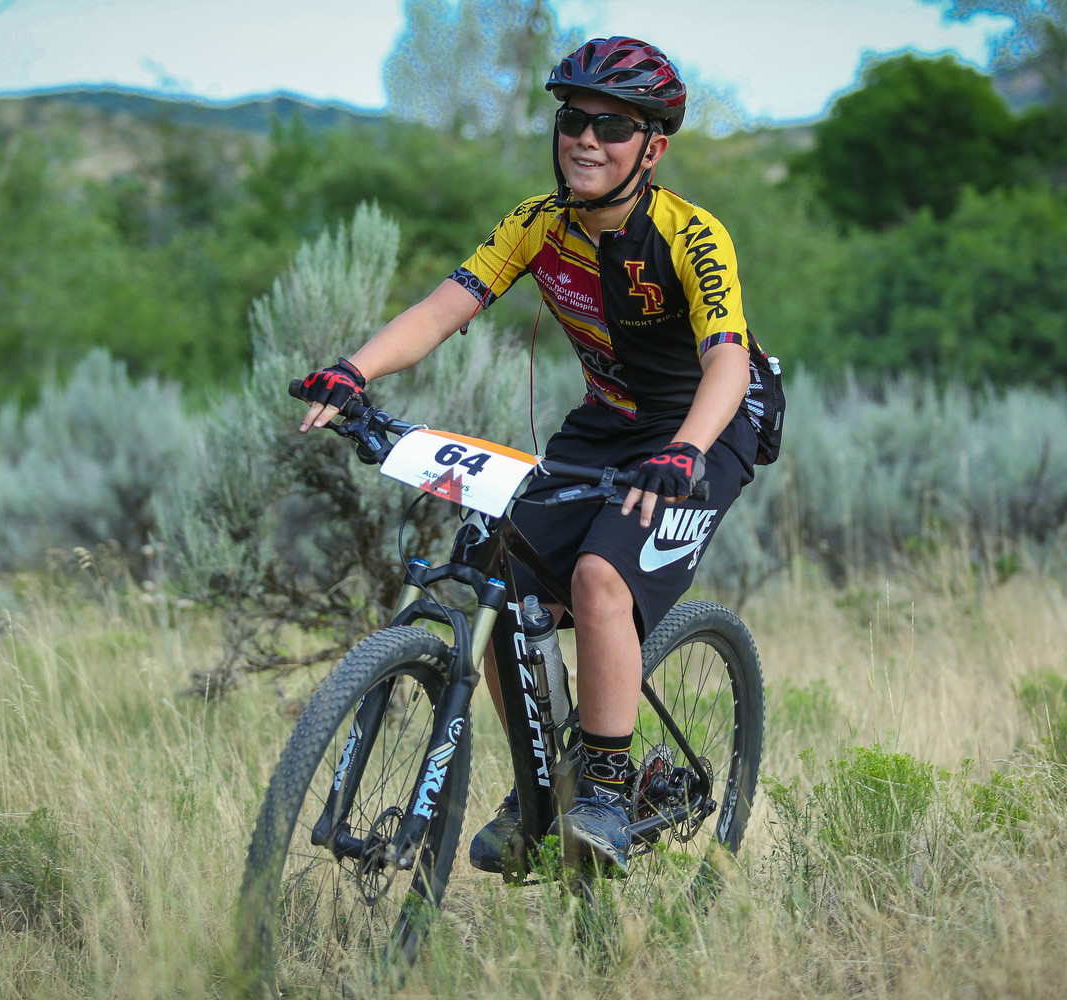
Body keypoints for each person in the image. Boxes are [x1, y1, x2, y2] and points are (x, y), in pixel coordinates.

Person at [297, 36, 763, 874]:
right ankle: (539, 789)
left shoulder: (691, 235)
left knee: (599, 578)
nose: (586, 139)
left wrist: (685, 450)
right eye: (573, 119)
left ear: (652, 150)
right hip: (610, 421)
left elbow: (727, 360)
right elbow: (442, 308)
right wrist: (353, 372)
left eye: (613, 127)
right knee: (504, 578)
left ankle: (606, 796)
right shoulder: (537, 224)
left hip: (706, 424)